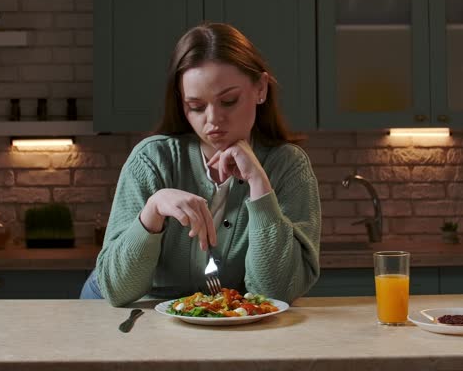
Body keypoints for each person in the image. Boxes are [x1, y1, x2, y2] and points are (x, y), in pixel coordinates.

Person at [80, 22, 321, 306]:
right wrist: (153, 210)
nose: (212, 120)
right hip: (128, 311)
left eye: (228, 101)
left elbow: (275, 293)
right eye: (196, 106)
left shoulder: (289, 166)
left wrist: (260, 185)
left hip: (221, 323)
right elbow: (117, 290)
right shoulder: (150, 160)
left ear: (261, 89)